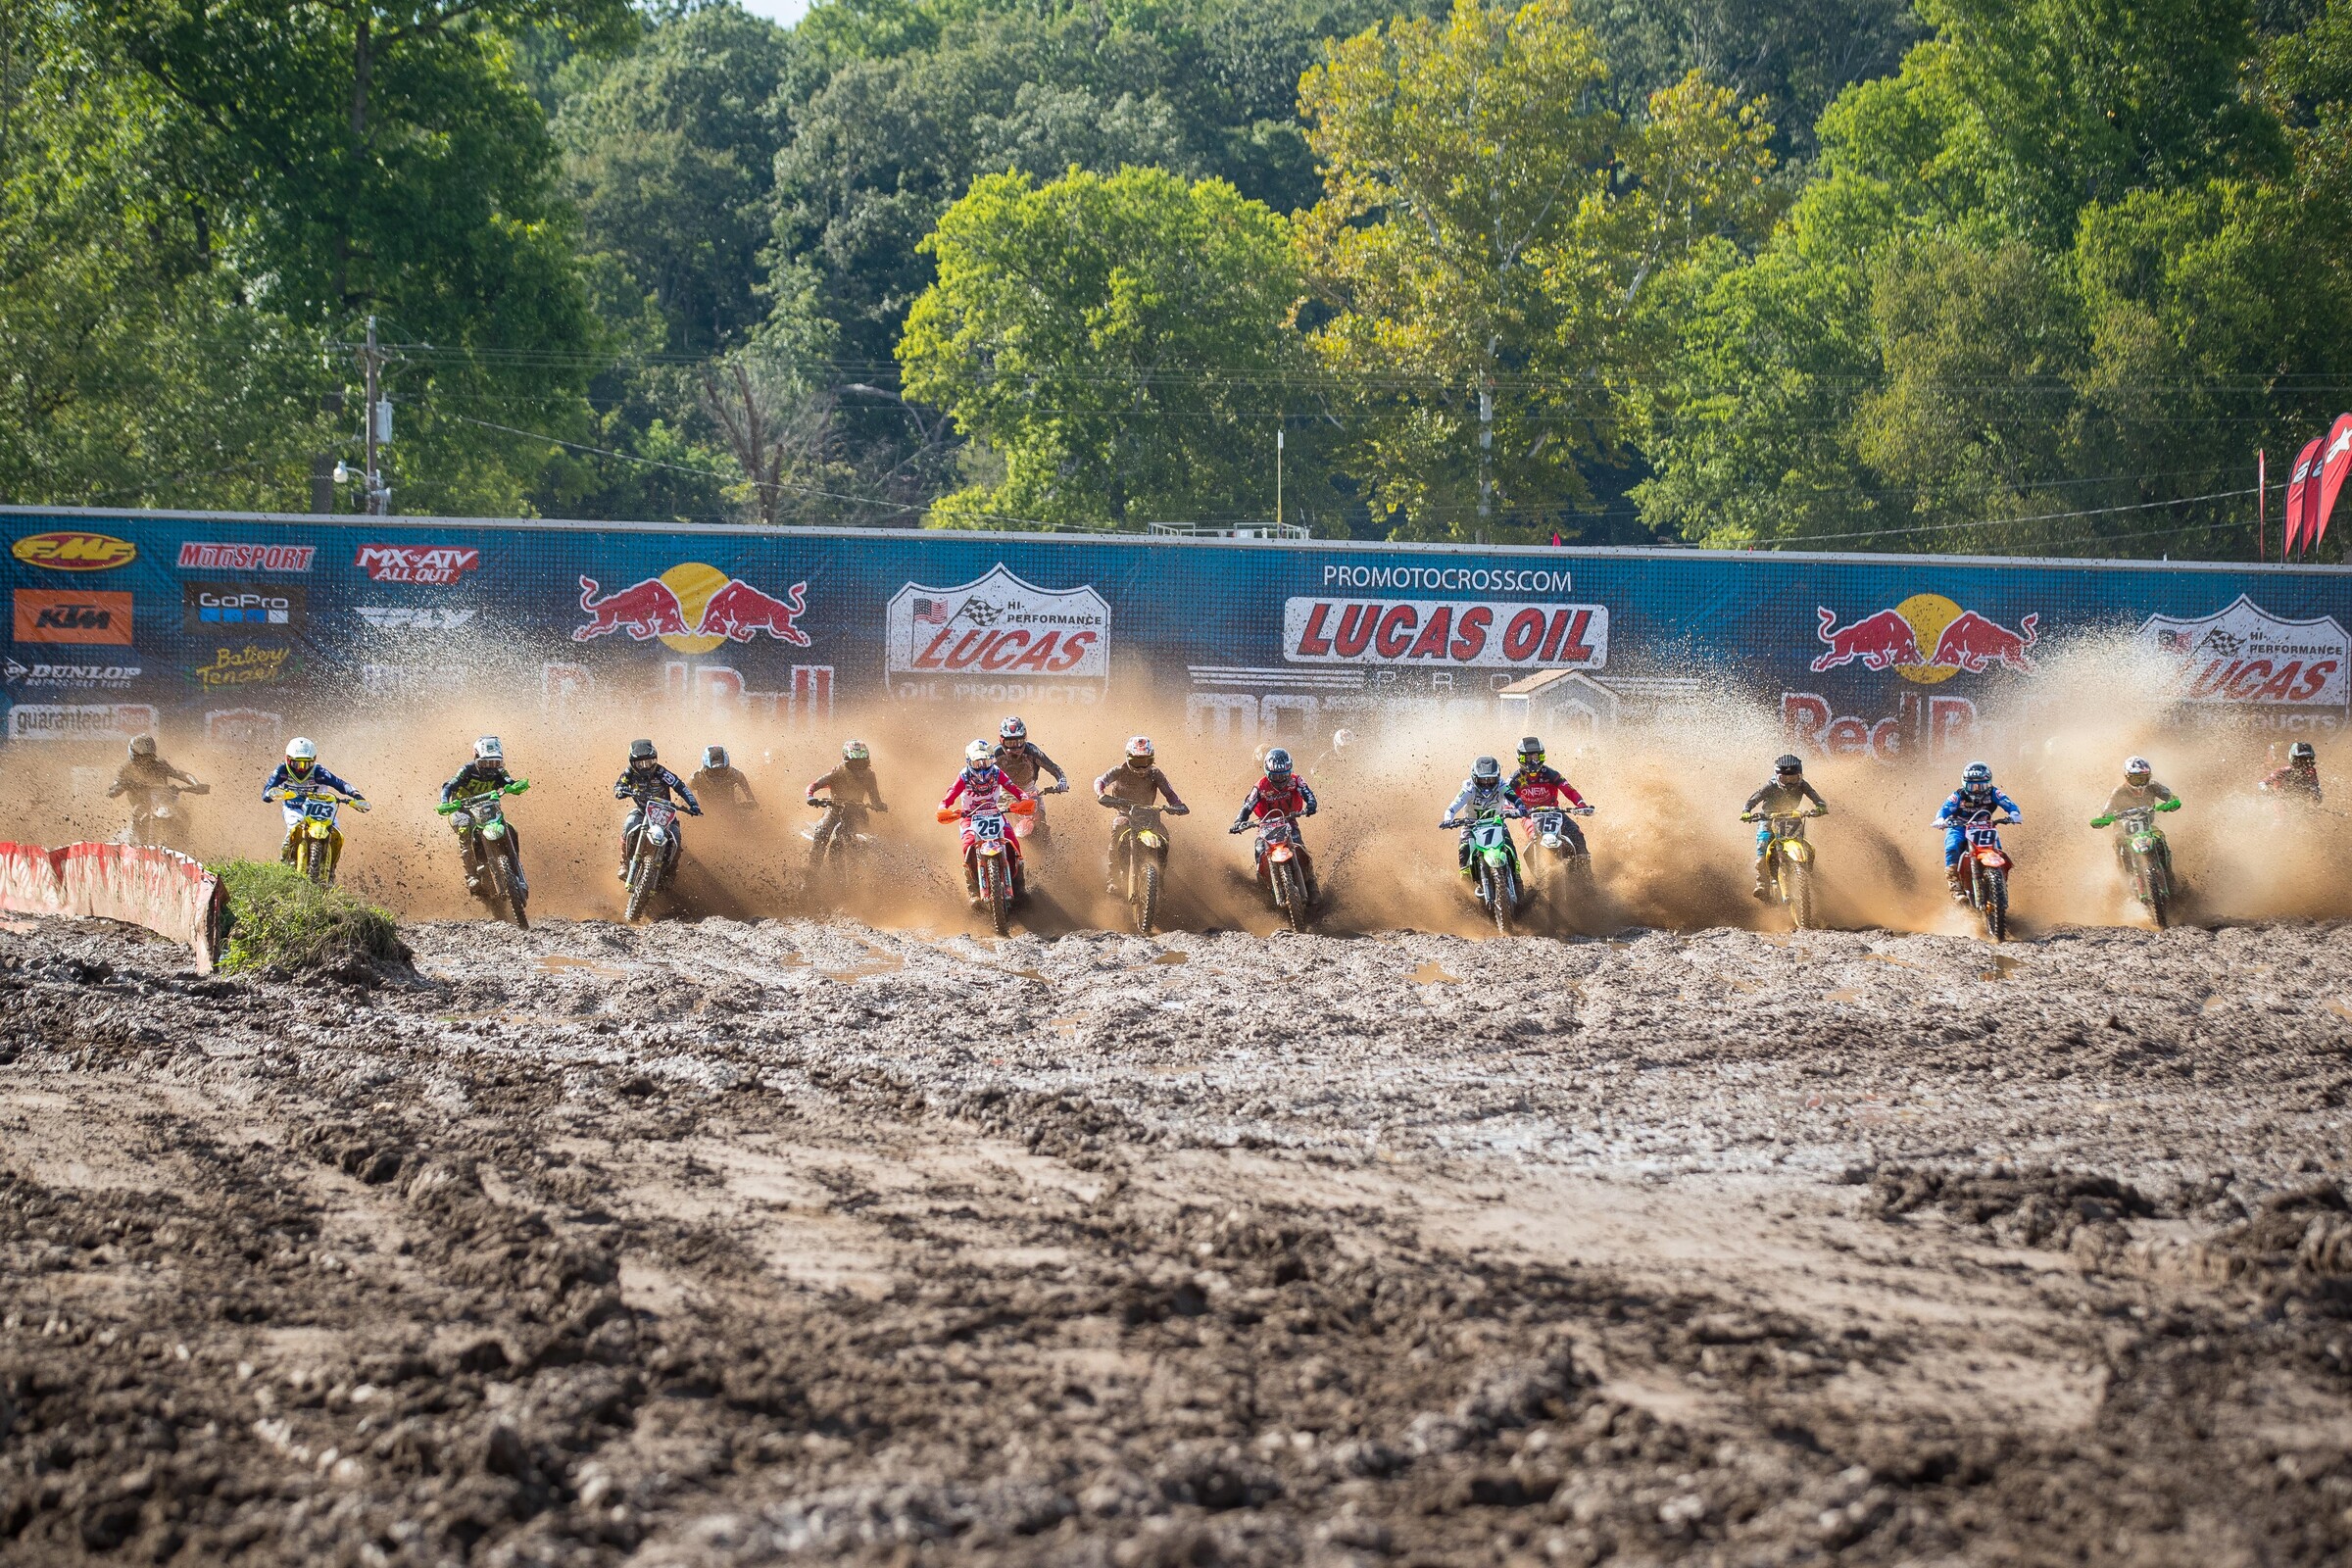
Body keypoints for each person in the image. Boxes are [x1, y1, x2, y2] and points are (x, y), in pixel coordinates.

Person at [1094, 735, 1190, 893]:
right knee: (1118, 827)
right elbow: (1100, 781)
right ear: (1128, 758)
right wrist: (1101, 794)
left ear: (1152, 760)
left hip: (1149, 815)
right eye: (1137, 763)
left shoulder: (1155, 774)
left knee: (1164, 835)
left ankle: (1160, 882)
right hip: (1125, 813)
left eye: (1145, 762)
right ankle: (1113, 879)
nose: (1141, 768)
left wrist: (1177, 806)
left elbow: (1170, 793)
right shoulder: (1119, 771)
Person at [943, 738, 1032, 905]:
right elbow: (951, 793)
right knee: (967, 845)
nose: (983, 767)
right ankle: (973, 891)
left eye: (986, 761)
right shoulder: (964, 776)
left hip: (995, 814)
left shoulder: (997, 772)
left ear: (992, 760)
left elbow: (1013, 787)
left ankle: (1020, 886)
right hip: (970, 816)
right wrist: (943, 807)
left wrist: (1024, 798)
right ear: (970, 762)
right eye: (978, 763)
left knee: (1013, 842)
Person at [262, 737, 368, 872]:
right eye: (296, 764)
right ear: (288, 760)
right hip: (294, 808)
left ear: (313, 761)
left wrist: (356, 795)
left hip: (320, 808)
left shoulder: (319, 772)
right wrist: (272, 795)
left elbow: (340, 784)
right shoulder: (282, 771)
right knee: (293, 828)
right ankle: (283, 864)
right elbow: (266, 792)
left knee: (336, 831)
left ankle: (331, 867)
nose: (301, 769)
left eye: (305, 764)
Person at [1229, 746, 1319, 904]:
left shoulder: (1296, 780)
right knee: (1259, 853)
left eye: (1284, 775)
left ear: (1289, 770)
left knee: (1301, 848)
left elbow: (1308, 793)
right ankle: (1265, 890)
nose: (1280, 780)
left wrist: (1311, 805)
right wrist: (1239, 822)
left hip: (1289, 820)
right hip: (1265, 825)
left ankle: (1312, 885)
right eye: (1276, 777)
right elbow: (1247, 806)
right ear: (1267, 773)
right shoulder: (1260, 787)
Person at [439, 736, 527, 892]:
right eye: (486, 763)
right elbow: (448, 786)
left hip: (488, 810)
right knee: (465, 827)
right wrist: (445, 802)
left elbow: (509, 781)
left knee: (511, 828)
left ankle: (516, 868)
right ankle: (471, 875)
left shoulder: (499, 771)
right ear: (477, 757)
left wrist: (515, 786)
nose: (490, 768)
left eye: (495, 762)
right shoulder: (466, 770)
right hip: (461, 810)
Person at [612, 739, 701, 883]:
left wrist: (693, 804)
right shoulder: (629, 773)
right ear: (633, 763)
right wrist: (622, 791)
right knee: (629, 824)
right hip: (642, 811)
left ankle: (671, 871)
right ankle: (625, 863)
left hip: (665, 813)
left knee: (676, 836)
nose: (645, 767)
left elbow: (680, 786)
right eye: (640, 763)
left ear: (655, 759)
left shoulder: (661, 772)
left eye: (649, 762)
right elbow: (618, 786)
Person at [1741, 754, 1828, 901]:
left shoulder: (1803, 785)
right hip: (1768, 817)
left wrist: (1820, 806)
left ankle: (1809, 877)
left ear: (1799, 776)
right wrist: (1747, 811)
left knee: (1806, 846)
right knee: (1762, 846)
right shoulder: (1771, 785)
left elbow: (1815, 796)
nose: (1789, 782)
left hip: (1792, 816)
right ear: (1777, 776)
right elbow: (1755, 798)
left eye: (1792, 778)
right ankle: (1762, 884)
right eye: (1784, 779)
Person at [1934, 760, 2022, 901]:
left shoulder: (1994, 793)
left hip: (1985, 827)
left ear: (1989, 782)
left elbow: (2008, 804)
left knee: (1999, 851)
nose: (1977, 790)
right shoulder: (1958, 796)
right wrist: (1940, 819)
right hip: (1959, 826)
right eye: (1972, 786)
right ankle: (1955, 886)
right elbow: (1945, 808)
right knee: (1952, 846)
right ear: (1964, 783)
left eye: (1981, 785)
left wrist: (2014, 814)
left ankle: (2000, 885)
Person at [806, 740, 889, 863]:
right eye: (855, 763)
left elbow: (875, 798)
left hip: (857, 812)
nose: (858, 768)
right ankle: (812, 869)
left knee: (867, 838)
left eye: (862, 763)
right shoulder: (837, 772)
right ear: (846, 760)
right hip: (834, 810)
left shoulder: (870, 776)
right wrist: (810, 797)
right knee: (822, 831)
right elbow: (814, 785)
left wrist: (879, 805)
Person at [1506, 737, 1591, 858]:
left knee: (1577, 834)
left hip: (1555, 813)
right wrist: (1509, 808)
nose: (1533, 762)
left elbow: (1569, 791)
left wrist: (1581, 804)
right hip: (1528, 815)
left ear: (1541, 757)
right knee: (1533, 838)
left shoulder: (1551, 774)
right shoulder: (1514, 779)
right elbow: (1505, 795)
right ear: (1521, 758)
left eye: (1536, 757)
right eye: (1528, 758)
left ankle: (1585, 872)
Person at [2093, 756, 2177, 878]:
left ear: (2149, 776)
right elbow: (2106, 810)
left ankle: (2168, 872)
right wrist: (2101, 819)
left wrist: (2172, 803)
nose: (2140, 783)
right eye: (2136, 779)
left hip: (2147, 827)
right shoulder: (2119, 792)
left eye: (2144, 778)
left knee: (2160, 838)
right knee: (2119, 843)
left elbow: (2170, 796)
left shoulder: (2153, 786)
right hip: (2123, 829)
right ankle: (2125, 876)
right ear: (2127, 778)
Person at [1441, 756, 1525, 873]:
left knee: (1509, 845)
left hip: (1496, 823)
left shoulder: (1501, 785)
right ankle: (1466, 881)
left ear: (1497, 777)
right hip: (1471, 825)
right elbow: (1451, 809)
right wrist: (1448, 820)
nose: (1486, 785)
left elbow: (1514, 798)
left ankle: (1516, 874)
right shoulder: (1468, 789)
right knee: (1464, 848)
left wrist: (1520, 806)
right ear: (1474, 778)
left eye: (1490, 780)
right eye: (1482, 780)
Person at [992, 716, 1069, 836]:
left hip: (1029, 790)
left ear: (1024, 739)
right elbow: (982, 774)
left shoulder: (1032, 751)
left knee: (1041, 824)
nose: (1015, 748)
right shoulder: (995, 754)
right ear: (1002, 740)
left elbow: (1052, 767)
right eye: (1010, 743)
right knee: (997, 825)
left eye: (1019, 742)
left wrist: (1062, 781)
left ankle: (1051, 852)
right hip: (1004, 793)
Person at [690, 745, 759, 812]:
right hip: (706, 812)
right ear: (705, 768)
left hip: (732, 811)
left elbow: (752, 800)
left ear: (727, 768)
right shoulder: (696, 778)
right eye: (713, 772)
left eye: (721, 772)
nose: (717, 778)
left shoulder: (734, 774)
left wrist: (750, 801)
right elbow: (682, 798)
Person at [2260, 740, 2323, 807]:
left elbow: (2316, 788)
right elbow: (2262, 784)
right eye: (2299, 760)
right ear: (2293, 759)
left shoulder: (2311, 772)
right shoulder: (2284, 771)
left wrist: (2316, 793)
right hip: (2281, 806)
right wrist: (2269, 794)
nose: (2303, 763)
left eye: (2307, 760)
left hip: (2301, 806)